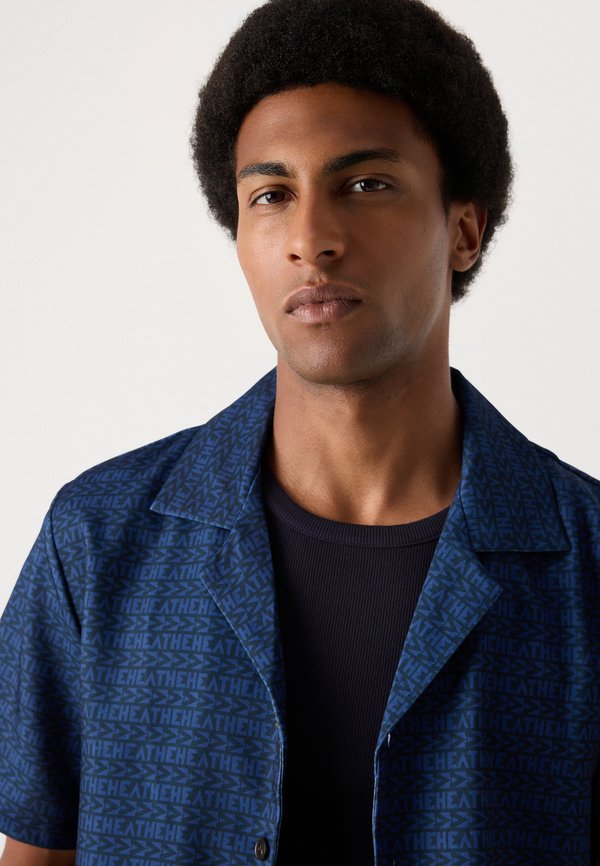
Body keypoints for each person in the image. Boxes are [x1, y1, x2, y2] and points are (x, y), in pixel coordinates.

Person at [0, 0, 598, 863]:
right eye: (272, 195)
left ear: (464, 230)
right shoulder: (98, 542)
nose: (311, 239)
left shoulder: (587, 567)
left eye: (366, 184)